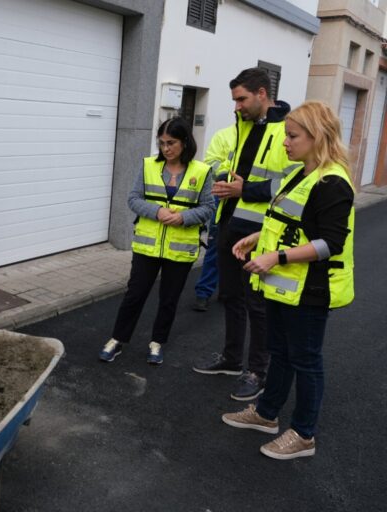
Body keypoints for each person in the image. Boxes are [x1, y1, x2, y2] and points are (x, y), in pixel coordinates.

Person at [221, 100, 354, 460]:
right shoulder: (303, 174)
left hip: (311, 289)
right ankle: (266, 414)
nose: (285, 143)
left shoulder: (332, 182)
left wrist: (274, 257)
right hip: (286, 286)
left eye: (292, 136)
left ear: (317, 137)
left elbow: (330, 243)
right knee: (280, 353)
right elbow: (289, 222)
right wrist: (256, 239)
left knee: (306, 360)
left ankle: (304, 435)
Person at [192, 68, 297, 401]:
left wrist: (245, 188)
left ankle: (257, 371)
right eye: (235, 100)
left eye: (242, 99)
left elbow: (294, 184)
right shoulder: (242, 127)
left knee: (259, 306)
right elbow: (225, 168)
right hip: (230, 224)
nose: (237, 106)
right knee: (231, 297)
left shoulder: (288, 131)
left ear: (262, 93)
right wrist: (226, 179)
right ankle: (232, 359)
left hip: (262, 231)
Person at [99, 117, 215, 365]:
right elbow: (133, 199)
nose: (165, 148)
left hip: (180, 249)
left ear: (185, 142)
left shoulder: (202, 171)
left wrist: (184, 217)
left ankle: (157, 342)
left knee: (169, 299)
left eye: (171, 143)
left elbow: (208, 207)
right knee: (135, 295)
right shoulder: (148, 165)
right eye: (161, 143)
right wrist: (157, 212)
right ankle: (117, 339)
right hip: (147, 246)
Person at [191, 125, 236, 312]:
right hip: (224, 193)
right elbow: (212, 161)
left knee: (245, 248)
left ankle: (230, 290)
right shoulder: (224, 135)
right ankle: (204, 292)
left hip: (253, 198)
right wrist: (228, 178)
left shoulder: (269, 135)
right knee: (217, 245)